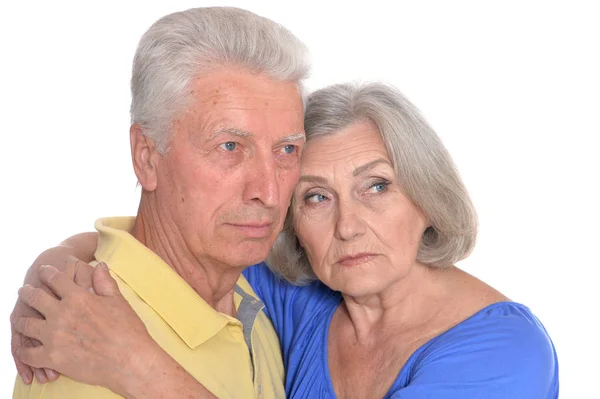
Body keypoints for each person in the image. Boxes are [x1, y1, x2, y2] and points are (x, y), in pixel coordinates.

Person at [12, 81, 560, 398]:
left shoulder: (506, 355)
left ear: (426, 196)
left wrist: (137, 365)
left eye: (377, 186)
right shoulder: (299, 298)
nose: (348, 226)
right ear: (290, 219)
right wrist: (54, 269)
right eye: (317, 197)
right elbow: (166, 247)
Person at [11, 5, 311, 399]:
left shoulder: (249, 297)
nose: (269, 193)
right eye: (230, 146)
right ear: (146, 157)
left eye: (287, 149)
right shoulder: (81, 349)